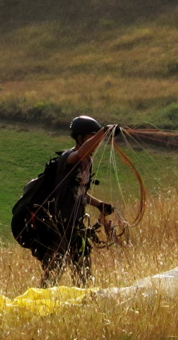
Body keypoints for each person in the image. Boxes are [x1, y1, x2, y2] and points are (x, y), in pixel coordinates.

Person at [12, 115, 115, 286]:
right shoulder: (67, 158)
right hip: (59, 226)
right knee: (53, 271)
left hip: (76, 225)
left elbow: (79, 192)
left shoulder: (87, 163)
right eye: (91, 137)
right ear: (80, 137)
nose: (96, 143)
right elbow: (80, 153)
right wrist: (104, 132)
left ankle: (84, 303)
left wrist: (99, 205)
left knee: (83, 271)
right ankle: (40, 303)